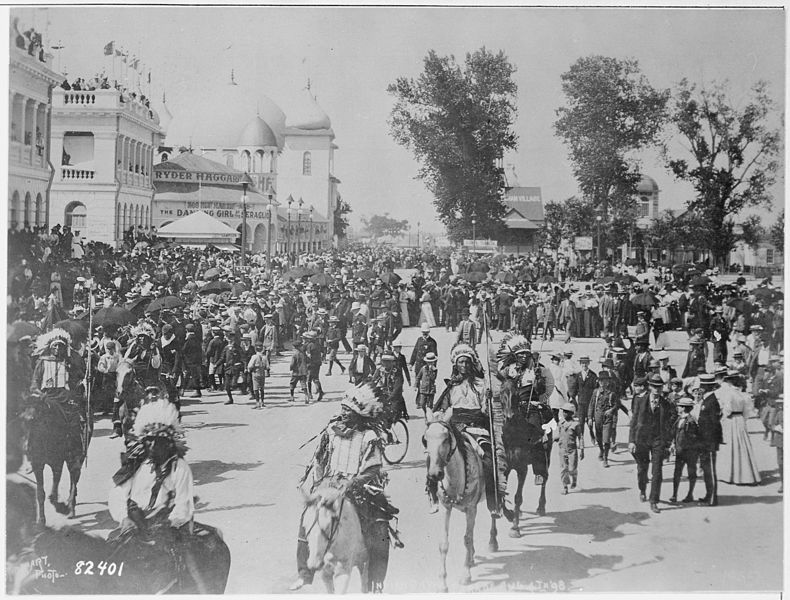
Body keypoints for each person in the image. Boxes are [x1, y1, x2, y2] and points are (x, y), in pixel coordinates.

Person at [291, 383, 401, 592]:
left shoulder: (369, 437)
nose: (343, 414)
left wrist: (353, 482)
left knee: (380, 525)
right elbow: (320, 460)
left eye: (348, 412)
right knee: (306, 518)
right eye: (342, 409)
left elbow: (373, 467)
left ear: (359, 416)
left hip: (360, 488)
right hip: (329, 485)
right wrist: (319, 482)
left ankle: (375, 580)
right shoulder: (331, 432)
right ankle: (305, 573)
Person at [429, 344, 507, 516]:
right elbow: (442, 408)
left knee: (488, 458)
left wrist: (488, 400)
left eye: (466, 362)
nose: (464, 366)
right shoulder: (451, 386)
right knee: (434, 452)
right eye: (460, 362)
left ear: (471, 364)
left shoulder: (481, 385)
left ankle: (494, 502)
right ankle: (432, 494)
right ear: (456, 365)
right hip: (455, 427)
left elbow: (487, 411)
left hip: (476, 428)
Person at [629, 375, 674, 514]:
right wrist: (631, 441)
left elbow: (669, 424)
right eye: (654, 386)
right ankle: (642, 489)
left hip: (657, 440)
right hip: (642, 439)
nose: (656, 389)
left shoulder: (666, 404)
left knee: (657, 471)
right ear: (649, 386)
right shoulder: (639, 400)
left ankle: (654, 500)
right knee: (642, 468)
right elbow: (634, 422)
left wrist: (669, 442)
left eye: (659, 387)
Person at [718, 370, 761, 485]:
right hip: (740, 419)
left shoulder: (728, 393)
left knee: (731, 446)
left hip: (731, 420)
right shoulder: (743, 394)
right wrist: (742, 419)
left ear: (729, 381)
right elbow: (747, 412)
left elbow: (727, 409)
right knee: (742, 445)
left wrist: (723, 417)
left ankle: (731, 475)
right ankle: (746, 475)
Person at [696, 373, 723, 506]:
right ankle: (708, 495)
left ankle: (712, 498)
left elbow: (714, 425)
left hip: (709, 442)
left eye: (703, 386)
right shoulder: (707, 400)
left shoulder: (711, 402)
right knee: (707, 470)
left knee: (710, 470)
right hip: (704, 442)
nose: (701, 388)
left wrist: (710, 442)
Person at [669, 395, 700, 504]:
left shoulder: (690, 421)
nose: (678, 408)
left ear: (683, 407)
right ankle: (674, 494)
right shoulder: (680, 418)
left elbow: (692, 437)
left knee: (690, 473)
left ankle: (689, 494)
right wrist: (674, 444)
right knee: (677, 472)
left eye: (679, 406)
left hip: (688, 451)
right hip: (680, 450)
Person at [588, 370, 619, 467]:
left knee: (606, 439)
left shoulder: (612, 394)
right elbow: (591, 405)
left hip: (607, 418)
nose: (603, 383)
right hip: (597, 417)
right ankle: (601, 450)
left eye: (605, 381)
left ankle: (605, 458)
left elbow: (616, 405)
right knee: (599, 438)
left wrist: (611, 410)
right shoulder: (595, 392)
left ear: (608, 382)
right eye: (601, 381)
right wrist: (589, 418)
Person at [568, 355, 597, 445]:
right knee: (581, 423)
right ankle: (581, 440)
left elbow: (596, 389)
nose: (584, 364)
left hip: (590, 403)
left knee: (590, 422)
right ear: (580, 364)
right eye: (582, 363)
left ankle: (592, 436)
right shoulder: (578, 375)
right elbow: (575, 388)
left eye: (586, 363)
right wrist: (572, 397)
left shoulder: (593, 375)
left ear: (588, 363)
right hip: (580, 403)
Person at [557, 402, 584, 494]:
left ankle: (574, 478)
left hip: (572, 450)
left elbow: (580, 437)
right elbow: (559, 435)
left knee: (572, 468)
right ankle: (565, 487)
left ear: (571, 413)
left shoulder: (575, 424)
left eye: (566, 412)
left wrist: (582, 449)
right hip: (562, 449)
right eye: (563, 411)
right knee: (563, 469)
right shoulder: (561, 422)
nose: (564, 413)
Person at [181, 323, 203, 398]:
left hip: (189, 361)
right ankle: (183, 390)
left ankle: (196, 391)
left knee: (191, 376)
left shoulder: (189, 339)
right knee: (193, 376)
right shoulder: (196, 339)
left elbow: (184, 350)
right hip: (196, 360)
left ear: (186, 330)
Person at [768, 394, 783, 494]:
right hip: (781, 440)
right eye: (780, 404)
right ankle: (783, 483)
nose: (781, 406)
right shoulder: (779, 413)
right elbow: (772, 424)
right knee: (781, 463)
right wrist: (777, 428)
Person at [247, 342, 269, 409]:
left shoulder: (254, 357)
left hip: (255, 373)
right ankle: (262, 402)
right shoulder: (264, 357)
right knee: (262, 388)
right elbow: (267, 367)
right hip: (262, 373)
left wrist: (249, 370)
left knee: (255, 389)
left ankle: (257, 403)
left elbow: (250, 366)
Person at [289, 339, 310, 403]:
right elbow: (308, 360)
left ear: (295, 347)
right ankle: (306, 396)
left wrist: (291, 368)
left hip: (296, 372)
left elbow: (292, 364)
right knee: (303, 384)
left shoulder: (295, 354)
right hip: (303, 371)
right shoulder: (303, 354)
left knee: (292, 384)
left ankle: (292, 397)